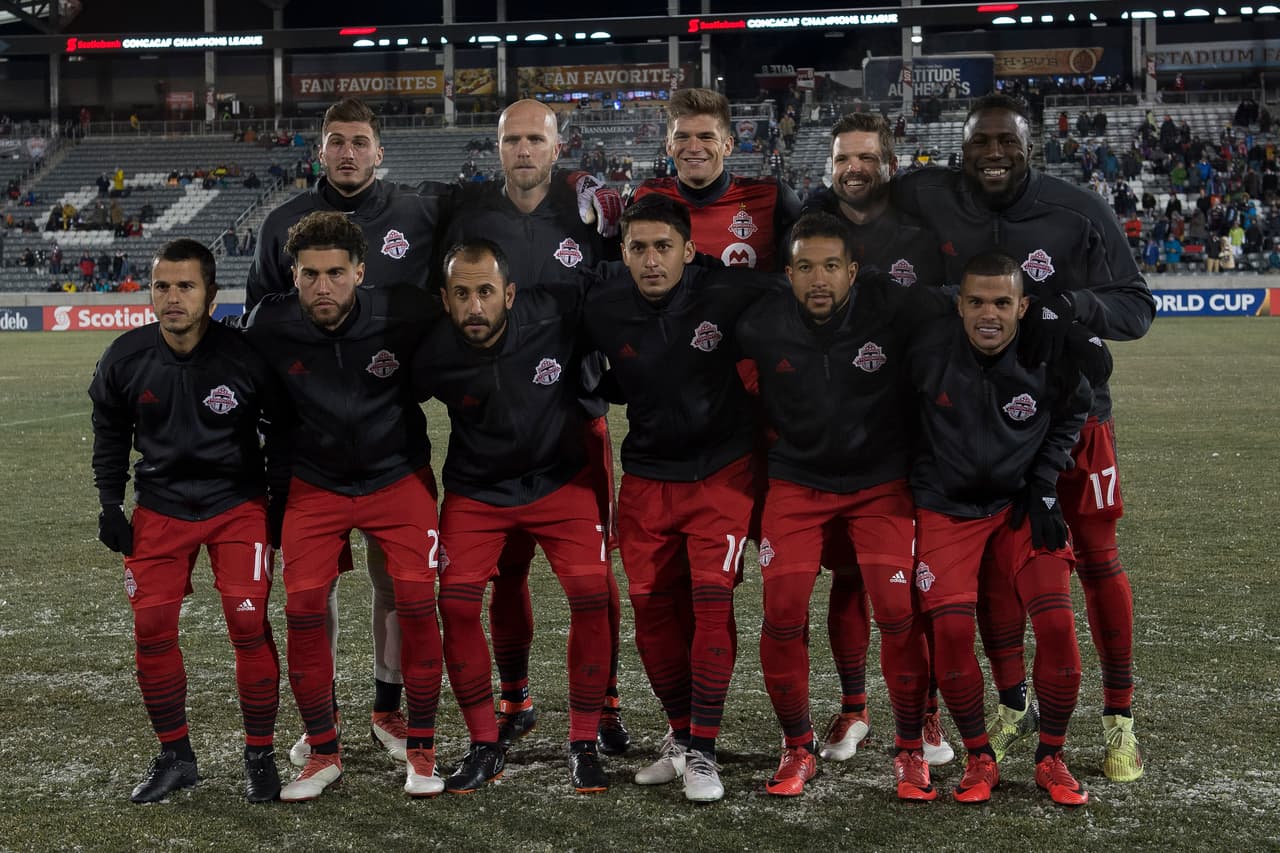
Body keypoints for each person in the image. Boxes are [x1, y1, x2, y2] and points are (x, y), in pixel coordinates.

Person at [894, 93, 1156, 782]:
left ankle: (1120, 720)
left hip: (1076, 417)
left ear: (1029, 143)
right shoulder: (934, 197)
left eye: (1006, 141)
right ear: (962, 145)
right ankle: (1015, 707)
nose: (993, 154)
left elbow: (1137, 304)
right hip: (988, 427)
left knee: (1097, 562)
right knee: (995, 572)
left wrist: (1070, 307)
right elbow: (863, 201)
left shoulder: (1076, 209)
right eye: (980, 141)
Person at [437, 98, 629, 758]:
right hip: (493, 424)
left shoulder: (590, 210)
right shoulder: (466, 213)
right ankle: (514, 696)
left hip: (577, 418)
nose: (523, 149)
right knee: (505, 575)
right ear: (498, 148)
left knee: (596, 578)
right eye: (511, 139)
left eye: (534, 139)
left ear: (557, 147)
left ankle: (603, 702)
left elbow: (625, 279)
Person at [735, 211, 950, 800]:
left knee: (897, 611)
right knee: (781, 611)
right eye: (805, 267)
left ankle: (909, 750)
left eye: (832, 266)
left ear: (854, 271)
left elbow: (974, 306)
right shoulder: (760, 322)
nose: (819, 279)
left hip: (881, 484)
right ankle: (797, 746)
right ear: (787, 273)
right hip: (796, 484)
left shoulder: (895, 309)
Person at [241, 211, 446, 801]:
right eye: (309, 275)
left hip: (396, 476)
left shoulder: (405, 311)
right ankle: (322, 750)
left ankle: (421, 745)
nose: (323, 287)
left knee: (415, 600)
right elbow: (256, 407)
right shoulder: (269, 324)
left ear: (361, 270)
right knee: (303, 607)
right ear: (292, 274)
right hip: (315, 483)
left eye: (336, 273)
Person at [581, 196, 778, 802]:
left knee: (711, 605)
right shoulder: (603, 306)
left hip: (721, 473)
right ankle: (681, 734)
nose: (650, 259)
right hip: (646, 476)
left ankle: (705, 753)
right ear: (623, 253)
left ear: (690, 252)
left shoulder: (727, 293)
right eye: (638, 247)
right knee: (650, 612)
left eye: (664, 246)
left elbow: (802, 294)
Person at [88, 239, 287, 804]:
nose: (172, 298)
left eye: (185, 286)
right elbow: (109, 434)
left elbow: (283, 433)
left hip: (236, 506)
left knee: (248, 627)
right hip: (160, 507)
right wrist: (109, 503)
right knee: (151, 634)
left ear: (211, 295)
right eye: (162, 286)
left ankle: (259, 755)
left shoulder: (244, 357)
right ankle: (177, 756)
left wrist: (274, 507)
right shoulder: (125, 358)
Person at [415, 239, 615, 794]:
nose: (473, 307)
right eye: (461, 294)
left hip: (561, 479)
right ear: (444, 299)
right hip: (478, 490)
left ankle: (583, 739)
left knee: (592, 593)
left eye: (484, 292)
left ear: (509, 293)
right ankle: (484, 742)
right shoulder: (431, 352)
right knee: (454, 604)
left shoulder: (554, 314)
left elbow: (616, 299)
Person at [908, 251, 1107, 806]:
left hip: (1021, 506)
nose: (988, 314)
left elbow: (1076, 409)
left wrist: (1044, 481)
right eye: (976, 302)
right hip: (946, 509)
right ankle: (979, 757)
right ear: (959, 305)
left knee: (1058, 627)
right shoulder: (926, 352)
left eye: (1001, 302)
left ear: (1023, 306)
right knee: (949, 634)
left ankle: (1051, 756)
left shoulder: (1047, 355)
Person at [800, 110, 954, 764]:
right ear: (829, 166)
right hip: (836, 436)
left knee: (915, 582)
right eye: (842, 159)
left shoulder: (921, 237)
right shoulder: (812, 231)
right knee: (848, 578)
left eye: (865, 157)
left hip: (913, 434)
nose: (853, 169)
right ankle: (855, 707)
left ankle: (926, 715)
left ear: (888, 163)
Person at [632, 87, 802, 272]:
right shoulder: (644, 196)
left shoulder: (773, 197)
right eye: (682, 137)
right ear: (669, 145)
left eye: (706, 137)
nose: (694, 147)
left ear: (727, 145)